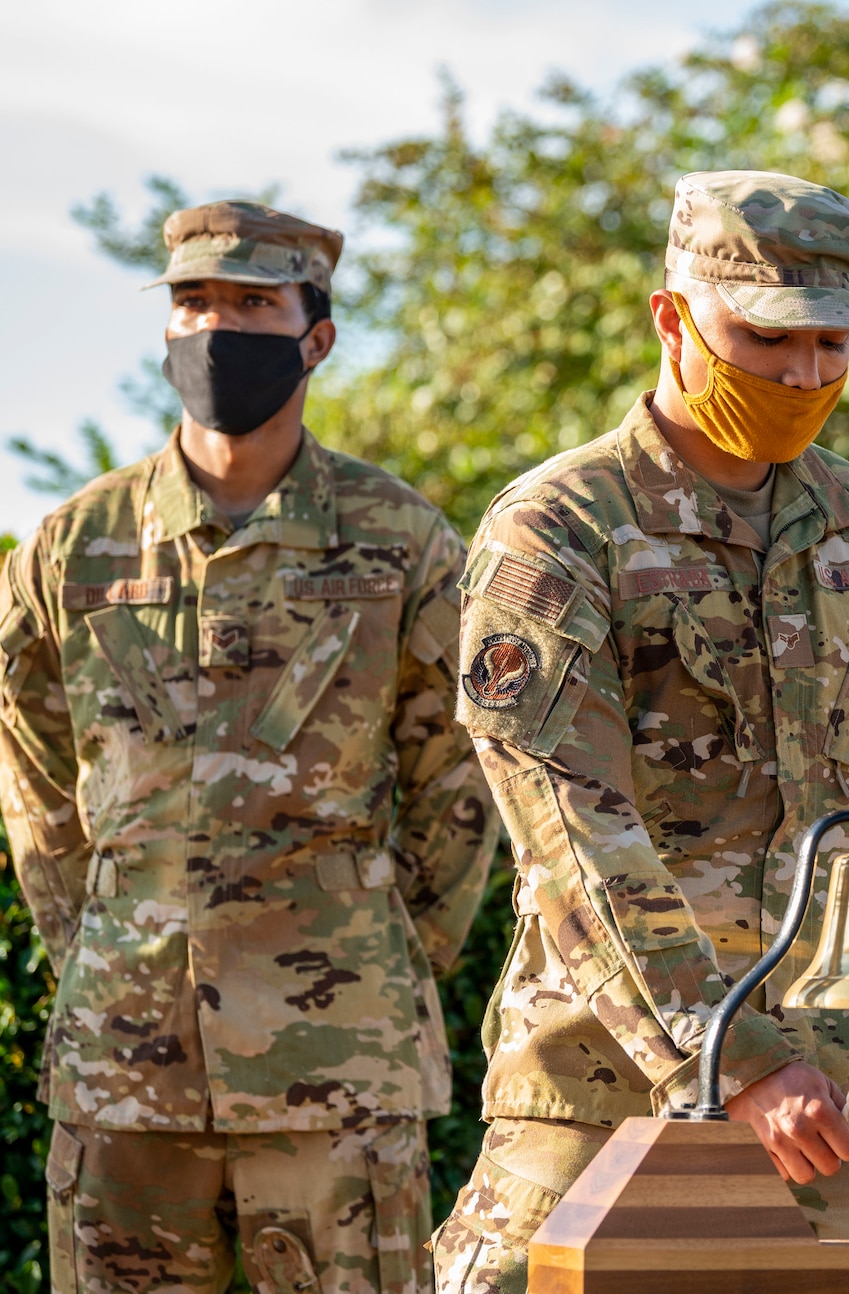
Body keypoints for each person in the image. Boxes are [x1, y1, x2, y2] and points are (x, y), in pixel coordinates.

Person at [431, 170, 849, 1292]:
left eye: (831, 345)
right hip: (601, 1089)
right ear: (672, 319)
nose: (805, 374)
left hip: (830, 1116)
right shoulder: (557, 529)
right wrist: (736, 1057)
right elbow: (570, 831)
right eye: (769, 340)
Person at [0, 201, 497, 1294]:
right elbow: (35, 778)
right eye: (193, 302)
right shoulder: (74, 543)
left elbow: (458, 778)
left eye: (252, 304)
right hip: (125, 1064)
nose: (217, 327)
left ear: (315, 337)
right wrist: (104, 944)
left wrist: (378, 950)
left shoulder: (400, 540)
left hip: (336, 1069)